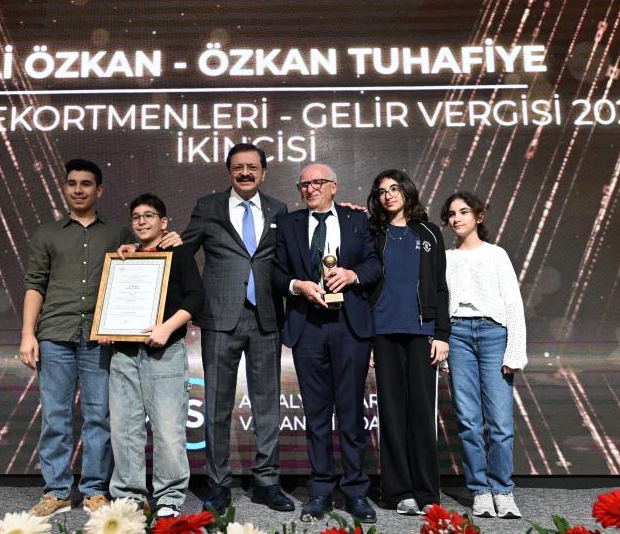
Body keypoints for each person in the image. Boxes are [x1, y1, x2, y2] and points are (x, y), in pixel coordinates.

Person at [181, 143, 293, 514]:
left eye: (252, 167)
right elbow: (182, 249)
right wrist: (142, 250)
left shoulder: (278, 209)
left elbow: (291, 256)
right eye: (238, 167)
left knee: (267, 405)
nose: (245, 173)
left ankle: (267, 482)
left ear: (264, 172)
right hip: (219, 318)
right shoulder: (208, 206)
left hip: (266, 319)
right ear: (229, 171)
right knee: (217, 406)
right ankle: (218, 485)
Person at [20, 158, 134, 517]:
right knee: (56, 417)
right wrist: (27, 334)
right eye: (72, 183)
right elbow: (35, 284)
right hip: (55, 335)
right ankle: (56, 491)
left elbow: (139, 274)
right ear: (65, 188)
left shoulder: (118, 234)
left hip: (101, 338)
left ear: (99, 190)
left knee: (99, 416)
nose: (79, 190)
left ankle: (94, 490)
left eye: (86, 184)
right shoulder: (47, 234)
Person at [273, 163, 380, 524]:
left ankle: (356, 491)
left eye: (318, 182)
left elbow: (375, 264)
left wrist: (352, 274)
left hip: (350, 326)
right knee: (316, 415)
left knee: (350, 413)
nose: (310, 188)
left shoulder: (357, 220)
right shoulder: (288, 223)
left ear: (334, 186)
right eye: (304, 184)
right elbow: (276, 273)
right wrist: (298, 286)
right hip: (308, 327)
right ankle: (320, 490)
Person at [102, 193, 204, 519]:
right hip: (124, 355)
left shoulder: (178, 252)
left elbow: (195, 298)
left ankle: (169, 498)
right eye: (136, 217)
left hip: (165, 353)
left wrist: (166, 328)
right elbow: (112, 301)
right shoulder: (124, 258)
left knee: (168, 431)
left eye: (149, 215)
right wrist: (107, 325)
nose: (142, 221)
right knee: (124, 430)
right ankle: (129, 497)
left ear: (164, 222)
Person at [366, 168, 449, 516]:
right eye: (382, 191)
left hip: (422, 332)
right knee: (392, 413)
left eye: (394, 188)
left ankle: (427, 492)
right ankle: (398, 492)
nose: (388, 195)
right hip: (383, 331)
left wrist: (441, 334)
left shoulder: (429, 232)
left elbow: (440, 287)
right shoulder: (373, 233)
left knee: (421, 414)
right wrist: (369, 339)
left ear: (407, 191)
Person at [440, 191, 526, 520]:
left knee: (500, 422)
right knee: (468, 421)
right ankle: (480, 490)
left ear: (478, 216)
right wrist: (443, 348)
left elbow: (513, 304)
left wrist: (514, 351)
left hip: (494, 335)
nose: (457, 218)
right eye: (451, 214)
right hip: (458, 335)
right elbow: (440, 305)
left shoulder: (496, 255)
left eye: (463, 212)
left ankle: (502, 489)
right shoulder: (445, 258)